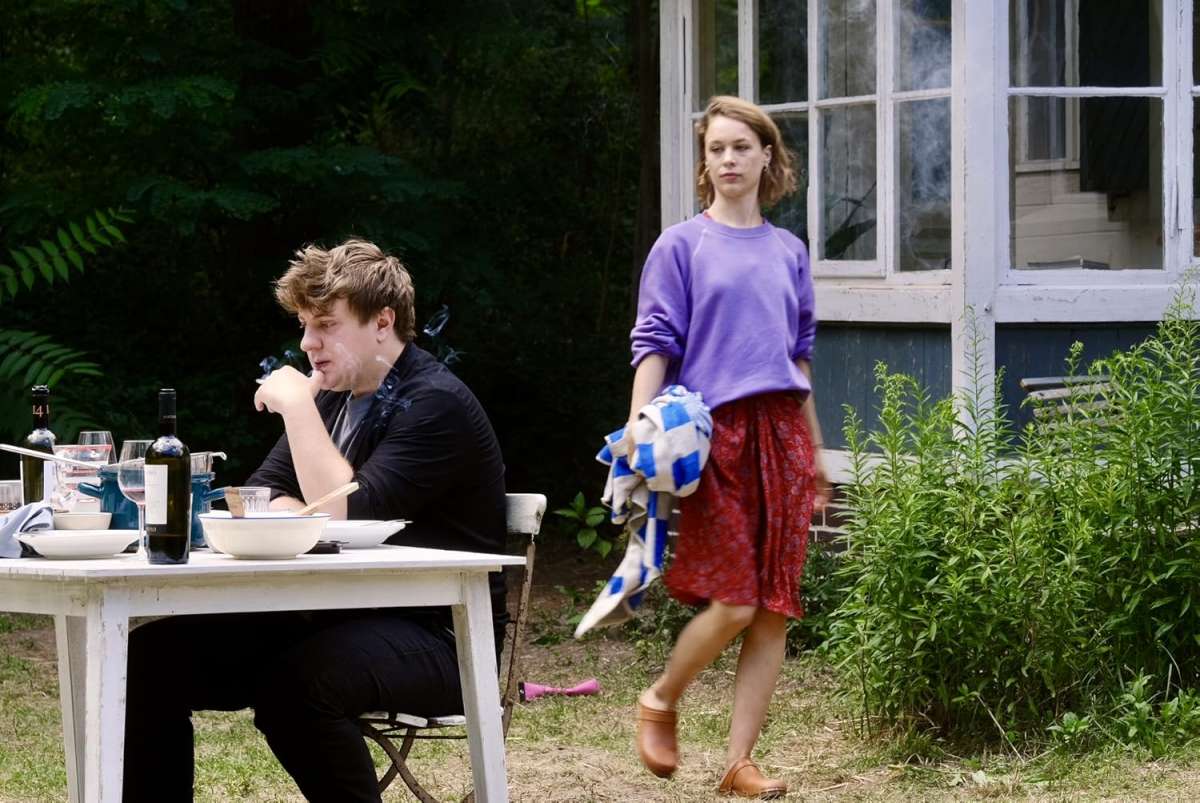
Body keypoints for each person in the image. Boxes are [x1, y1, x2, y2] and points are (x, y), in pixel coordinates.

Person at [122, 239, 507, 803]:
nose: (307, 344)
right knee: (148, 659)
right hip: (331, 615)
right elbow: (255, 496)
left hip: (442, 637)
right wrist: (301, 496)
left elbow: (344, 509)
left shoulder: (433, 402)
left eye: (326, 325)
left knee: (300, 685)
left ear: (383, 322)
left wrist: (298, 410)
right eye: (304, 325)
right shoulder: (333, 397)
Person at [628, 96, 830, 799]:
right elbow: (654, 344)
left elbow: (798, 359)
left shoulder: (789, 251)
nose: (729, 159)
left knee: (773, 607)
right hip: (715, 436)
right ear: (705, 161)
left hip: (782, 435)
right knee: (737, 601)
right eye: (716, 149)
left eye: (742, 147)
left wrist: (816, 452)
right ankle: (660, 697)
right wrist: (637, 427)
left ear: (767, 156)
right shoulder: (681, 245)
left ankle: (738, 761)